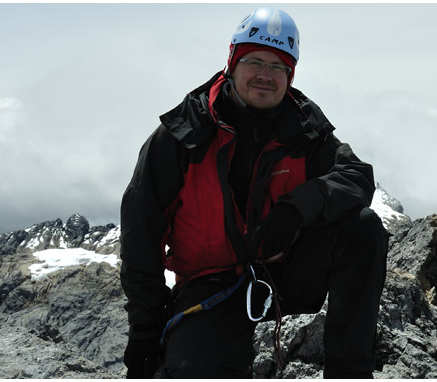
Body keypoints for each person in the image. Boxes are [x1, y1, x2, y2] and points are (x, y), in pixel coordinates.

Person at [119, 7, 388, 379]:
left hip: (283, 277)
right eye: (254, 61)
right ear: (231, 63)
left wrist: (298, 209)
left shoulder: (305, 127)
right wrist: (145, 331)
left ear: (290, 75)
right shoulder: (183, 135)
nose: (266, 75)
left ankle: (349, 372)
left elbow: (356, 176)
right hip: (208, 286)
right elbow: (140, 234)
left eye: (279, 67)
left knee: (362, 226)